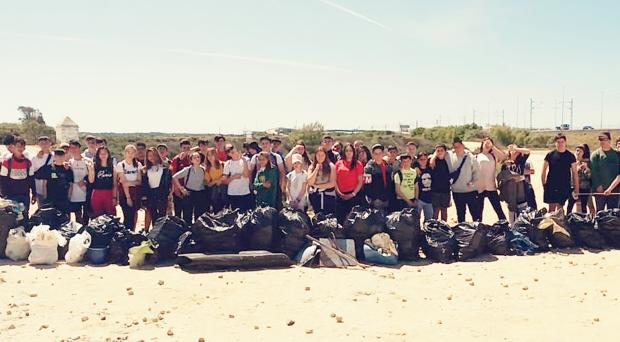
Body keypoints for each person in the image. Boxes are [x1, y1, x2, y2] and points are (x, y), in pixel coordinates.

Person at [0, 137, 36, 220]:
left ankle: (24, 232)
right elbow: (2, 179)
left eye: (22, 146)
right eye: (18, 146)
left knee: (24, 215)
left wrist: (34, 193)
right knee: (12, 216)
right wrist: (3, 193)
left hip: (24, 195)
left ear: (24, 148)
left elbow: (31, 179)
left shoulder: (28, 162)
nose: (20, 148)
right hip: (11, 195)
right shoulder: (7, 162)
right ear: (13, 147)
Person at [541, 133, 579, 212]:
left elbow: (575, 173)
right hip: (551, 185)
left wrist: (576, 189)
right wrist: (544, 184)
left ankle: (560, 224)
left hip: (564, 185)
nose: (560, 144)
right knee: (551, 209)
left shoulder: (570, 156)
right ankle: (550, 224)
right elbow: (543, 171)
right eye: (558, 142)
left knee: (560, 209)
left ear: (565, 142)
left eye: (562, 142)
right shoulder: (550, 155)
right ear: (555, 143)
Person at [447, 138, 480, 223]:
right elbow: (437, 153)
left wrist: (473, 182)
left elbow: (476, 171)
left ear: (463, 146)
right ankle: (462, 234)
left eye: (458, 146)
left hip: (470, 191)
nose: (457, 148)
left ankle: (477, 233)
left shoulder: (470, 156)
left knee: (475, 215)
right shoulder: (449, 155)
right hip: (457, 192)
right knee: (460, 215)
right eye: (455, 147)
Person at [476, 137, 507, 221]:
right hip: (479, 187)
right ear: (482, 144)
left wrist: (492, 147)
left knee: (498, 209)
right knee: (478, 211)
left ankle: (505, 226)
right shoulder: (477, 156)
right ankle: (478, 229)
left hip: (491, 186)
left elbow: (504, 157)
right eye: (485, 143)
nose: (487, 145)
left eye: (489, 143)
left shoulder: (493, 156)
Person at [250, 137, 286, 207]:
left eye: (267, 143)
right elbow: (251, 172)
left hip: (274, 189)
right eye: (263, 143)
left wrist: (281, 186)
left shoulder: (276, 156)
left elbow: (282, 172)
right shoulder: (255, 157)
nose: (265, 145)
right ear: (260, 145)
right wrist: (251, 185)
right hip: (259, 188)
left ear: (270, 144)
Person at [141, 147, 171, 229]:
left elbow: (168, 182)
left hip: (162, 194)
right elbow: (144, 184)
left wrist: (168, 194)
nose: (152, 157)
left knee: (162, 215)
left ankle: (162, 234)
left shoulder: (165, 167)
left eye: (153, 155)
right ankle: (154, 234)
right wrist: (144, 197)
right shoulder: (145, 169)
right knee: (153, 215)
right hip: (150, 194)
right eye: (149, 156)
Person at [172, 152, 207, 223]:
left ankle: (197, 231)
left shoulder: (204, 169)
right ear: (191, 160)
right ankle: (188, 231)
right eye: (195, 157)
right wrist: (181, 188)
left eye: (198, 157)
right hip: (189, 193)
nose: (197, 159)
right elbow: (175, 177)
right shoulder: (187, 169)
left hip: (200, 194)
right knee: (187, 215)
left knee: (199, 215)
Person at [335, 143, 364, 223]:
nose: (348, 152)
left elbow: (360, 181)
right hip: (340, 195)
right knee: (340, 219)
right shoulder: (338, 164)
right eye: (346, 150)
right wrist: (339, 193)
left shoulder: (358, 164)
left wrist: (353, 194)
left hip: (354, 195)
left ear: (353, 152)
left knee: (353, 220)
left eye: (350, 150)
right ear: (344, 152)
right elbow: (335, 180)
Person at [590, 132, 619, 210]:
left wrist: (610, 189)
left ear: (609, 140)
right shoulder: (595, 155)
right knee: (600, 214)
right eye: (600, 139)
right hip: (600, 191)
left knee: (613, 215)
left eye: (604, 139)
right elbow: (593, 172)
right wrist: (598, 186)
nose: (602, 141)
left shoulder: (617, 155)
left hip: (614, 190)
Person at [116, 145, 143, 230]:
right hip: (125, 193)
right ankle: (125, 234)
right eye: (128, 152)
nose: (130, 154)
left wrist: (130, 183)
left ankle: (132, 233)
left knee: (134, 215)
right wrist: (128, 198)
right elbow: (123, 182)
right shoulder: (121, 165)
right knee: (127, 216)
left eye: (132, 152)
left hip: (135, 192)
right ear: (125, 153)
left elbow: (139, 180)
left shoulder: (138, 164)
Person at [40, 149, 73, 214]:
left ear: (64, 157)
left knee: (65, 219)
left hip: (63, 198)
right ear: (54, 157)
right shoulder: (49, 168)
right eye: (57, 156)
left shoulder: (68, 169)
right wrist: (45, 196)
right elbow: (44, 183)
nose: (60, 158)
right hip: (51, 198)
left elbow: (71, 184)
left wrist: (69, 197)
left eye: (61, 156)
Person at [88, 146, 117, 217]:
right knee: (98, 216)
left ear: (108, 154)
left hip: (109, 193)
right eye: (101, 153)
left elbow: (115, 184)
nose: (103, 155)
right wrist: (91, 170)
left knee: (111, 216)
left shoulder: (112, 167)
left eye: (105, 153)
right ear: (98, 155)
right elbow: (91, 181)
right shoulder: (95, 166)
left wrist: (115, 197)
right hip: (97, 193)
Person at [364, 144, 395, 210]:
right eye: (376, 154)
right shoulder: (369, 168)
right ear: (373, 154)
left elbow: (391, 183)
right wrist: (374, 199)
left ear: (383, 154)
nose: (378, 155)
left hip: (387, 199)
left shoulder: (388, 167)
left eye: (380, 153)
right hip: (376, 200)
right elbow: (367, 186)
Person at [307, 146, 337, 215]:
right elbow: (310, 182)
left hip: (328, 197)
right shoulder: (312, 167)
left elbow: (332, 183)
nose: (320, 157)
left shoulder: (331, 166)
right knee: (317, 216)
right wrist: (316, 169)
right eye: (318, 155)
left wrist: (318, 186)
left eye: (322, 155)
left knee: (329, 216)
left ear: (325, 156)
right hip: (315, 196)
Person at [567, 144, 595, 214]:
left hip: (584, 188)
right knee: (570, 206)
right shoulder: (574, 162)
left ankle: (585, 221)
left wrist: (586, 169)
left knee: (584, 206)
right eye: (577, 151)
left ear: (584, 153)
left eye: (580, 151)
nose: (578, 153)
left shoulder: (587, 163)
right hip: (573, 188)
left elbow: (590, 176)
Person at [506, 144, 536, 210]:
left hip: (525, 188)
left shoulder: (523, 160)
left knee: (530, 208)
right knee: (513, 210)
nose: (514, 151)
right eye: (511, 150)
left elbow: (528, 151)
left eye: (516, 150)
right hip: (512, 190)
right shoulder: (507, 163)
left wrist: (516, 149)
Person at [222, 146, 252, 211]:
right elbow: (224, 181)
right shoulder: (228, 163)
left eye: (236, 151)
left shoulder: (246, 160)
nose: (235, 154)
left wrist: (243, 160)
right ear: (229, 154)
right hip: (232, 193)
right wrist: (233, 177)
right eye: (232, 153)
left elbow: (246, 175)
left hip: (244, 192)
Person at [68, 140, 90, 224]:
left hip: (85, 193)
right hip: (74, 194)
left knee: (86, 217)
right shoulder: (69, 162)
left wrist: (85, 181)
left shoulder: (87, 161)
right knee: (77, 216)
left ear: (79, 148)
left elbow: (91, 176)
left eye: (75, 147)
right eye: (71, 148)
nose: (73, 150)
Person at [170, 139, 192, 218]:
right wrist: (176, 188)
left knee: (188, 211)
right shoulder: (176, 159)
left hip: (188, 188)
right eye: (184, 148)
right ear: (180, 148)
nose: (186, 150)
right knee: (178, 211)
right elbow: (173, 174)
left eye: (188, 148)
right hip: (178, 187)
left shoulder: (191, 159)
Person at [429, 144, 451, 221]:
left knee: (444, 212)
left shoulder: (448, 160)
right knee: (435, 212)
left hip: (446, 190)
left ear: (445, 151)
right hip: (435, 190)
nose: (440, 152)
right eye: (438, 150)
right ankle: (434, 229)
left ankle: (444, 229)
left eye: (442, 150)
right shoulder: (432, 161)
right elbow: (419, 162)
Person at [31, 136, 54, 204]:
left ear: (50, 143)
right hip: (39, 187)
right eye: (42, 143)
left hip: (51, 187)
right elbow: (32, 173)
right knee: (41, 208)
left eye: (46, 143)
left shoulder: (55, 156)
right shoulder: (35, 157)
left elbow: (55, 171)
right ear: (39, 144)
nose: (44, 145)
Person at [204, 147, 226, 213]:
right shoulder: (207, 168)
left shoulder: (223, 164)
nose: (210, 157)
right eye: (208, 155)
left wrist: (220, 180)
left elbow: (226, 176)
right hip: (214, 194)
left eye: (212, 155)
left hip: (224, 191)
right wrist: (216, 181)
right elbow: (208, 184)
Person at [415, 152, 433, 222]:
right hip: (419, 198)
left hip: (429, 198)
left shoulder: (431, 169)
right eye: (421, 159)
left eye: (424, 159)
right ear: (418, 160)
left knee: (429, 219)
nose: (423, 161)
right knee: (416, 218)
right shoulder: (415, 171)